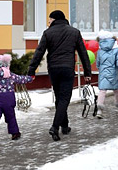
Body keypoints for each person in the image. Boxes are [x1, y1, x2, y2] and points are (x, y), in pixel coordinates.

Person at [27, 9, 92, 142]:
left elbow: (39, 52)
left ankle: (65, 126)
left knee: (59, 98)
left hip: (54, 70)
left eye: (49, 20)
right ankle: (55, 127)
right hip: (67, 69)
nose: (48, 22)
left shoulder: (48, 33)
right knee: (64, 99)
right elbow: (83, 53)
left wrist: (31, 70)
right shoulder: (74, 32)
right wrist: (87, 72)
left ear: (54, 19)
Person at [0, 53, 34, 146]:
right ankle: (15, 133)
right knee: (11, 117)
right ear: (6, 64)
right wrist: (29, 79)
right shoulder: (9, 75)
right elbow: (20, 79)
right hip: (8, 98)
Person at [92, 30, 118, 117]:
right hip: (114, 73)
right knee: (116, 90)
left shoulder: (100, 51)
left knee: (102, 90)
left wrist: (102, 69)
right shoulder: (117, 50)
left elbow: (98, 64)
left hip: (103, 73)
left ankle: (99, 110)